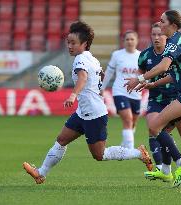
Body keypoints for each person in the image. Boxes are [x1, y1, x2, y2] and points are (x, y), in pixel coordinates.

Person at [23, 21, 152, 184]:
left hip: (94, 114)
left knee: (100, 155)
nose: (69, 46)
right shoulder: (92, 59)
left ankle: (138, 154)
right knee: (62, 139)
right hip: (83, 112)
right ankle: (40, 173)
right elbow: (101, 74)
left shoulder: (80, 59)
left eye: (73, 43)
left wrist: (73, 95)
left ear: (84, 44)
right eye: (68, 42)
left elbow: (83, 77)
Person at [125, 10, 181, 187]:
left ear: (172, 25)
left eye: (162, 21)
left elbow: (164, 66)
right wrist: (153, 85)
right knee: (162, 130)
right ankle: (165, 170)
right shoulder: (173, 42)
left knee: (155, 126)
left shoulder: (178, 40)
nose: (159, 23)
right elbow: (173, 74)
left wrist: (140, 78)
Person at [101, 30, 141, 149]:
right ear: (123, 41)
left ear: (137, 41)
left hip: (136, 94)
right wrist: (102, 87)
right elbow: (109, 72)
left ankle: (125, 144)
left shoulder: (141, 56)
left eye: (132, 39)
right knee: (128, 119)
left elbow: (146, 74)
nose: (129, 41)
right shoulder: (117, 55)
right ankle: (130, 149)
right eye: (127, 39)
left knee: (133, 122)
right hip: (120, 91)